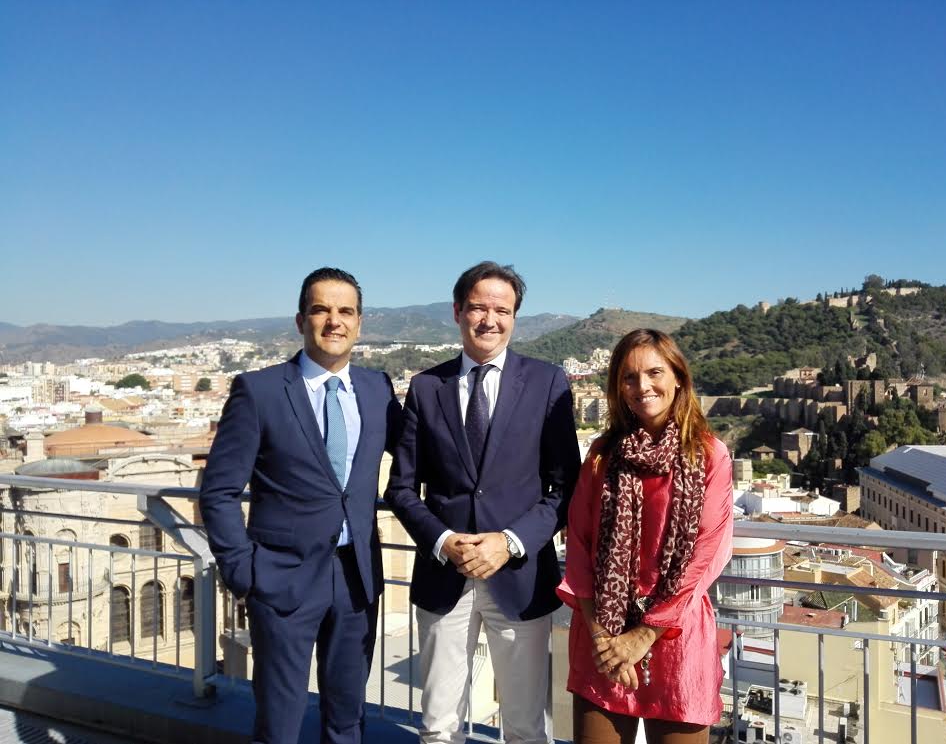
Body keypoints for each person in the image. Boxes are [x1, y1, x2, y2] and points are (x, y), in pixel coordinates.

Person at [199, 267, 401, 744]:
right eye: (321, 309)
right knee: (280, 723)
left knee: (348, 719)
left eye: (345, 311)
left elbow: (423, 456)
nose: (334, 321)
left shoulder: (377, 389)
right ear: (300, 320)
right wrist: (243, 570)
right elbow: (220, 490)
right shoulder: (260, 390)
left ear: (360, 323)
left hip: (356, 579)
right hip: (282, 579)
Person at [385, 261, 581, 744]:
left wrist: (510, 542)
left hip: (519, 576)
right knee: (437, 726)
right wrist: (444, 540)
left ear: (514, 317)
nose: (489, 319)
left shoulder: (547, 383)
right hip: (443, 574)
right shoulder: (427, 387)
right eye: (478, 307)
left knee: (525, 727)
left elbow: (565, 486)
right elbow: (402, 488)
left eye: (502, 309)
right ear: (457, 312)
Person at [557, 328, 733, 744]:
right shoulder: (602, 454)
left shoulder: (710, 455)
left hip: (676, 636)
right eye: (629, 377)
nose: (642, 386)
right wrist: (605, 639)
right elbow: (579, 544)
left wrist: (643, 635)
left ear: (678, 378)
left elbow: (707, 552)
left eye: (654, 373)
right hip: (603, 633)